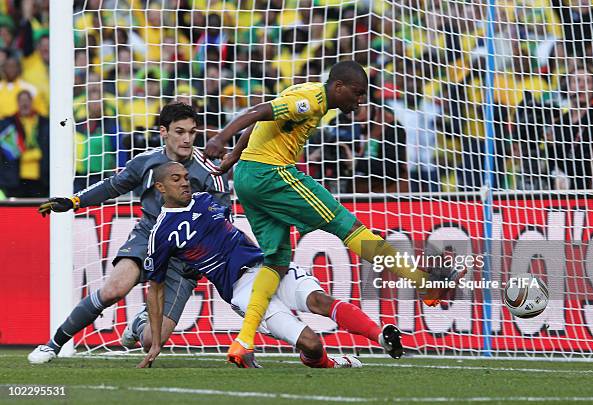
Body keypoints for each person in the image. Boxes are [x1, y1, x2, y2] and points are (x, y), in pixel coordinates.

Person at [204, 60, 464, 367]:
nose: (359, 100)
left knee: (276, 262)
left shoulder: (306, 94)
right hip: (271, 173)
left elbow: (267, 120)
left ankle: (244, 341)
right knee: (348, 226)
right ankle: (422, 282)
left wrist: (234, 155)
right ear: (337, 87)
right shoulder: (312, 101)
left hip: (248, 177)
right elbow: (258, 111)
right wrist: (220, 139)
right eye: (356, 93)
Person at [136, 162, 403, 369]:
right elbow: (155, 289)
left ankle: (380, 336)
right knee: (311, 344)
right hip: (242, 290)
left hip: (268, 267)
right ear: (160, 188)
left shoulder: (206, 200)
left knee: (319, 300)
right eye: (176, 179)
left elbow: (234, 232)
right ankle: (331, 362)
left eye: (185, 177)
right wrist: (156, 344)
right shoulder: (162, 232)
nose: (185, 183)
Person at [27, 102, 229, 364]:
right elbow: (112, 186)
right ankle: (53, 344)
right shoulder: (146, 162)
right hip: (149, 237)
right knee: (113, 289)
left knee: (149, 340)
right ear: (163, 132)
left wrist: (202, 257)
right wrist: (74, 201)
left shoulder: (210, 171)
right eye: (180, 132)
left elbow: (223, 219)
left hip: (184, 257)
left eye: (192, 133)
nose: (187, 139)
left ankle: (137, 325)